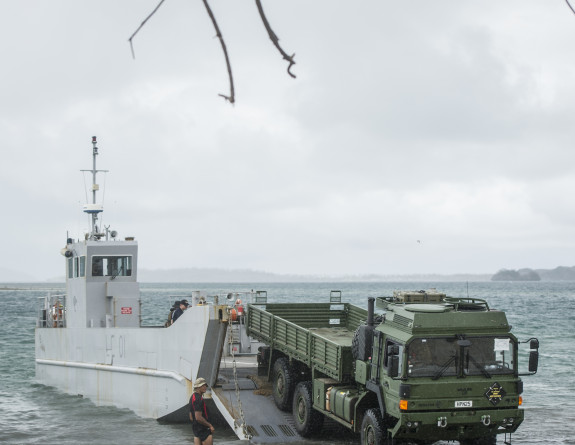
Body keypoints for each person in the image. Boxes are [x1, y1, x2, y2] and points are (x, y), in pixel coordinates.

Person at [189, 377, 214, 445]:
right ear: (197, 387)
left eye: (205, 385)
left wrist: (197, 426)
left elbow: (191, 417)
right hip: (204, 430)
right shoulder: (198, 399)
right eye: (202, 386)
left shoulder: (192, 397)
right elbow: (198, 417)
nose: (205, 387)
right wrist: (210, 425)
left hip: (196, 431)